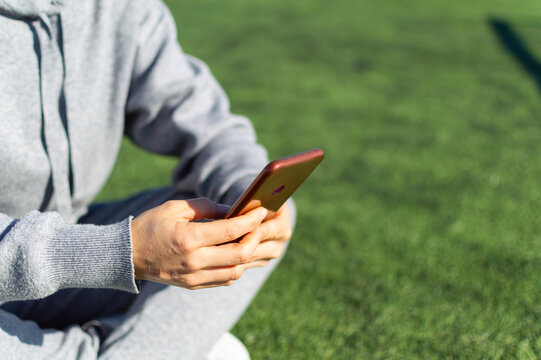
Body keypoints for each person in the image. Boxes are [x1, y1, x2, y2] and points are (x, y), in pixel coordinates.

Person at [0, 0, 294, 359]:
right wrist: (122, 252)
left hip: (63, 262)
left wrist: (245, 191)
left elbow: (200, 115)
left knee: (258, 215)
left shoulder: (121, 7)